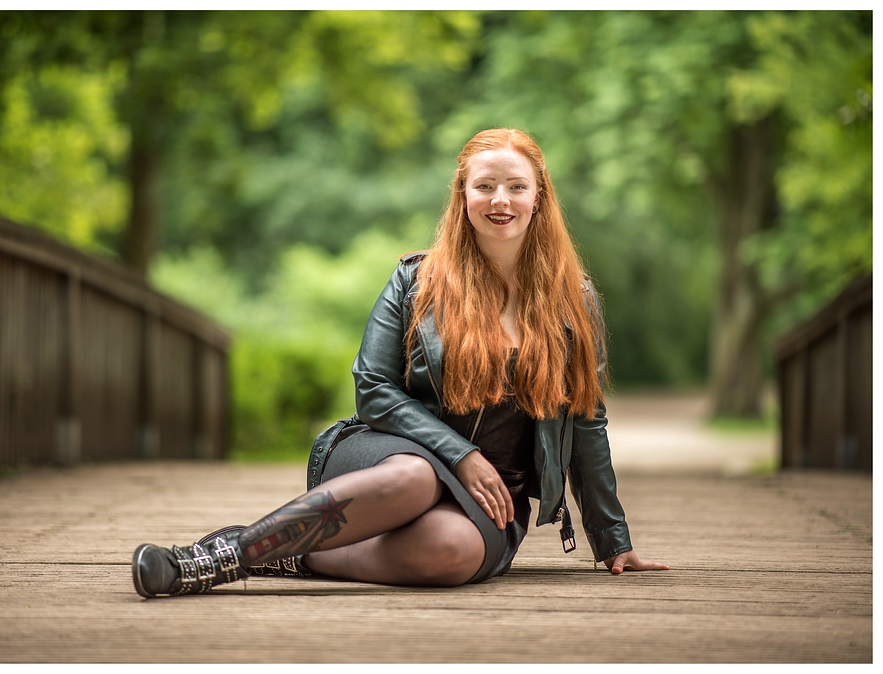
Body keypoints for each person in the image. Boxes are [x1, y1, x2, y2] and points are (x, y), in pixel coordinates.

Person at [131, 128, 668, 598]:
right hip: (387, 453)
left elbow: (586, 420)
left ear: (538, 198)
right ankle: (215, 558)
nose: (499, 199)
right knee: (416, 476)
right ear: (462, 195)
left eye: (515, 187)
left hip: (493, 489)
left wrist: (612, 541)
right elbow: (372, 388)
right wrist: (460, 455)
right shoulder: (416, 281)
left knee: (451, 551)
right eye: (484, 185)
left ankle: (296, 552)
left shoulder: (574, 300)